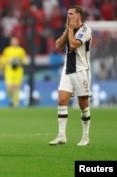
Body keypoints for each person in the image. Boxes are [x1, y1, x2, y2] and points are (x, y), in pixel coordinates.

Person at [49, 5, 92, 146]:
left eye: (71, 14)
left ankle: (85, 136)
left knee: (83, 105)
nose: (68, 16)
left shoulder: (85, 30)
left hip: (81, 71)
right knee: (61, 100)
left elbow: (73, 45)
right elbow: (58, 45)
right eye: (68, 14)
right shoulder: (69, 30)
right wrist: (68, 29)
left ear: (78, 15)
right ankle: (61, 135)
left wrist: (71, 30)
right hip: (67, 70)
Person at [0, 36, 27, 107]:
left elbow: (25, 61)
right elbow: (2, 60)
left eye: (16, 41)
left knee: (17, 87)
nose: (15, 42)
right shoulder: (7, 50)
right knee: (9, 86)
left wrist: (19, 61)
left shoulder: (21, 50)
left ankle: (16, 103)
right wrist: (8, 60)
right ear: (11, 42)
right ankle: (11, 99)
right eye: (13, 41)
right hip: (9, 70)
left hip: (18, 70)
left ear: (18, 42)